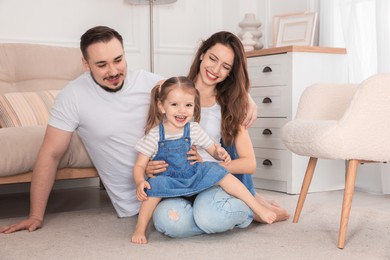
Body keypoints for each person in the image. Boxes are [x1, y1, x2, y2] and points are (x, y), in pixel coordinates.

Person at [0, 27, 276, 235]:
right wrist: (36, 215)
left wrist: (245, 97)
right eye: (101, 64)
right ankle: (237, 206)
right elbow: (49, 155)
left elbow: (194, 91)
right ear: (85, 64)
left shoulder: (152, 83)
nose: (113, 70)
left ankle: (240, 207)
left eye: (118, 59)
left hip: (181, 179)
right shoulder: (72, 97)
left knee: (208, 215)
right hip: (149, 193)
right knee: (171, 224)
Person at [148, 31, 290, 238]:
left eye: (225, 66)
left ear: (231, 73)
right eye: (213, 59)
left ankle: (250, 210)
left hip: (212, 183)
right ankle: (244, 205)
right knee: (166, 221)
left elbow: (249, 163)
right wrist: (150, 164)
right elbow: (152, 139)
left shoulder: (230, 105)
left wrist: (209, 168)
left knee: (209, 217)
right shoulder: (170, 91)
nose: (215, 70)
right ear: (202, 55)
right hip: (177, 181)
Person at [131, 77, 277, 244]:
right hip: (170, 179)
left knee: (219, 171)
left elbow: (211, 148)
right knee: (153, 188)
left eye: (188, 105)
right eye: (174, 105)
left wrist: (219, 153)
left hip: (192, 173)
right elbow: (139, 165)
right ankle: (140, 228)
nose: (182, 111)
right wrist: (140, 181)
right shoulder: (155, 135)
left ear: (194, 106)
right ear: (161, 106)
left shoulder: (193, 129)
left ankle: (256, 207)